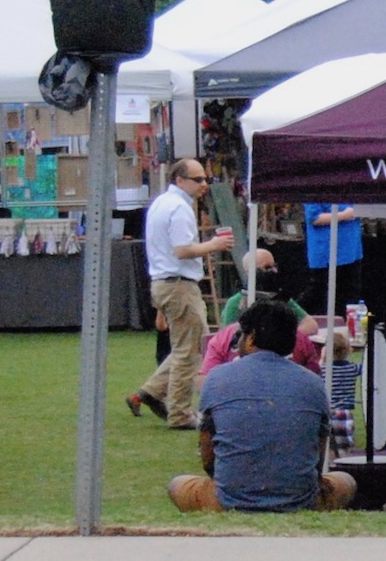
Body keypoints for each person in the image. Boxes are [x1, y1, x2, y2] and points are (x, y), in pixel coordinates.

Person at [168, 299, 356, 513]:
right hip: (301, 499)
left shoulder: (216, 378)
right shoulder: (313, 383)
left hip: (229, 499)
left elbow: (207, 452)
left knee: (178, 484)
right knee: (345, 481)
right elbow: (318, 454)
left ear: (251, 338)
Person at [129, 160, 234, 431]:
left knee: (183, 347)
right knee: (190, 351)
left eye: (205, 180)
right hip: (179, 283)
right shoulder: (179, 207)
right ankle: (180, 413)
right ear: (179, 180)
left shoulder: (162, 203)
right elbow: (182, 250)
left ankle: (149, 393)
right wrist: (214, 244)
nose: (203, 185)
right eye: (197, 179)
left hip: (165, 282)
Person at [302, 204, 364, 313]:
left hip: (351, 251)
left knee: (350, 297)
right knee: (319, 294)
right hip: (327, 252)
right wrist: (344, 215)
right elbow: (314, 218)